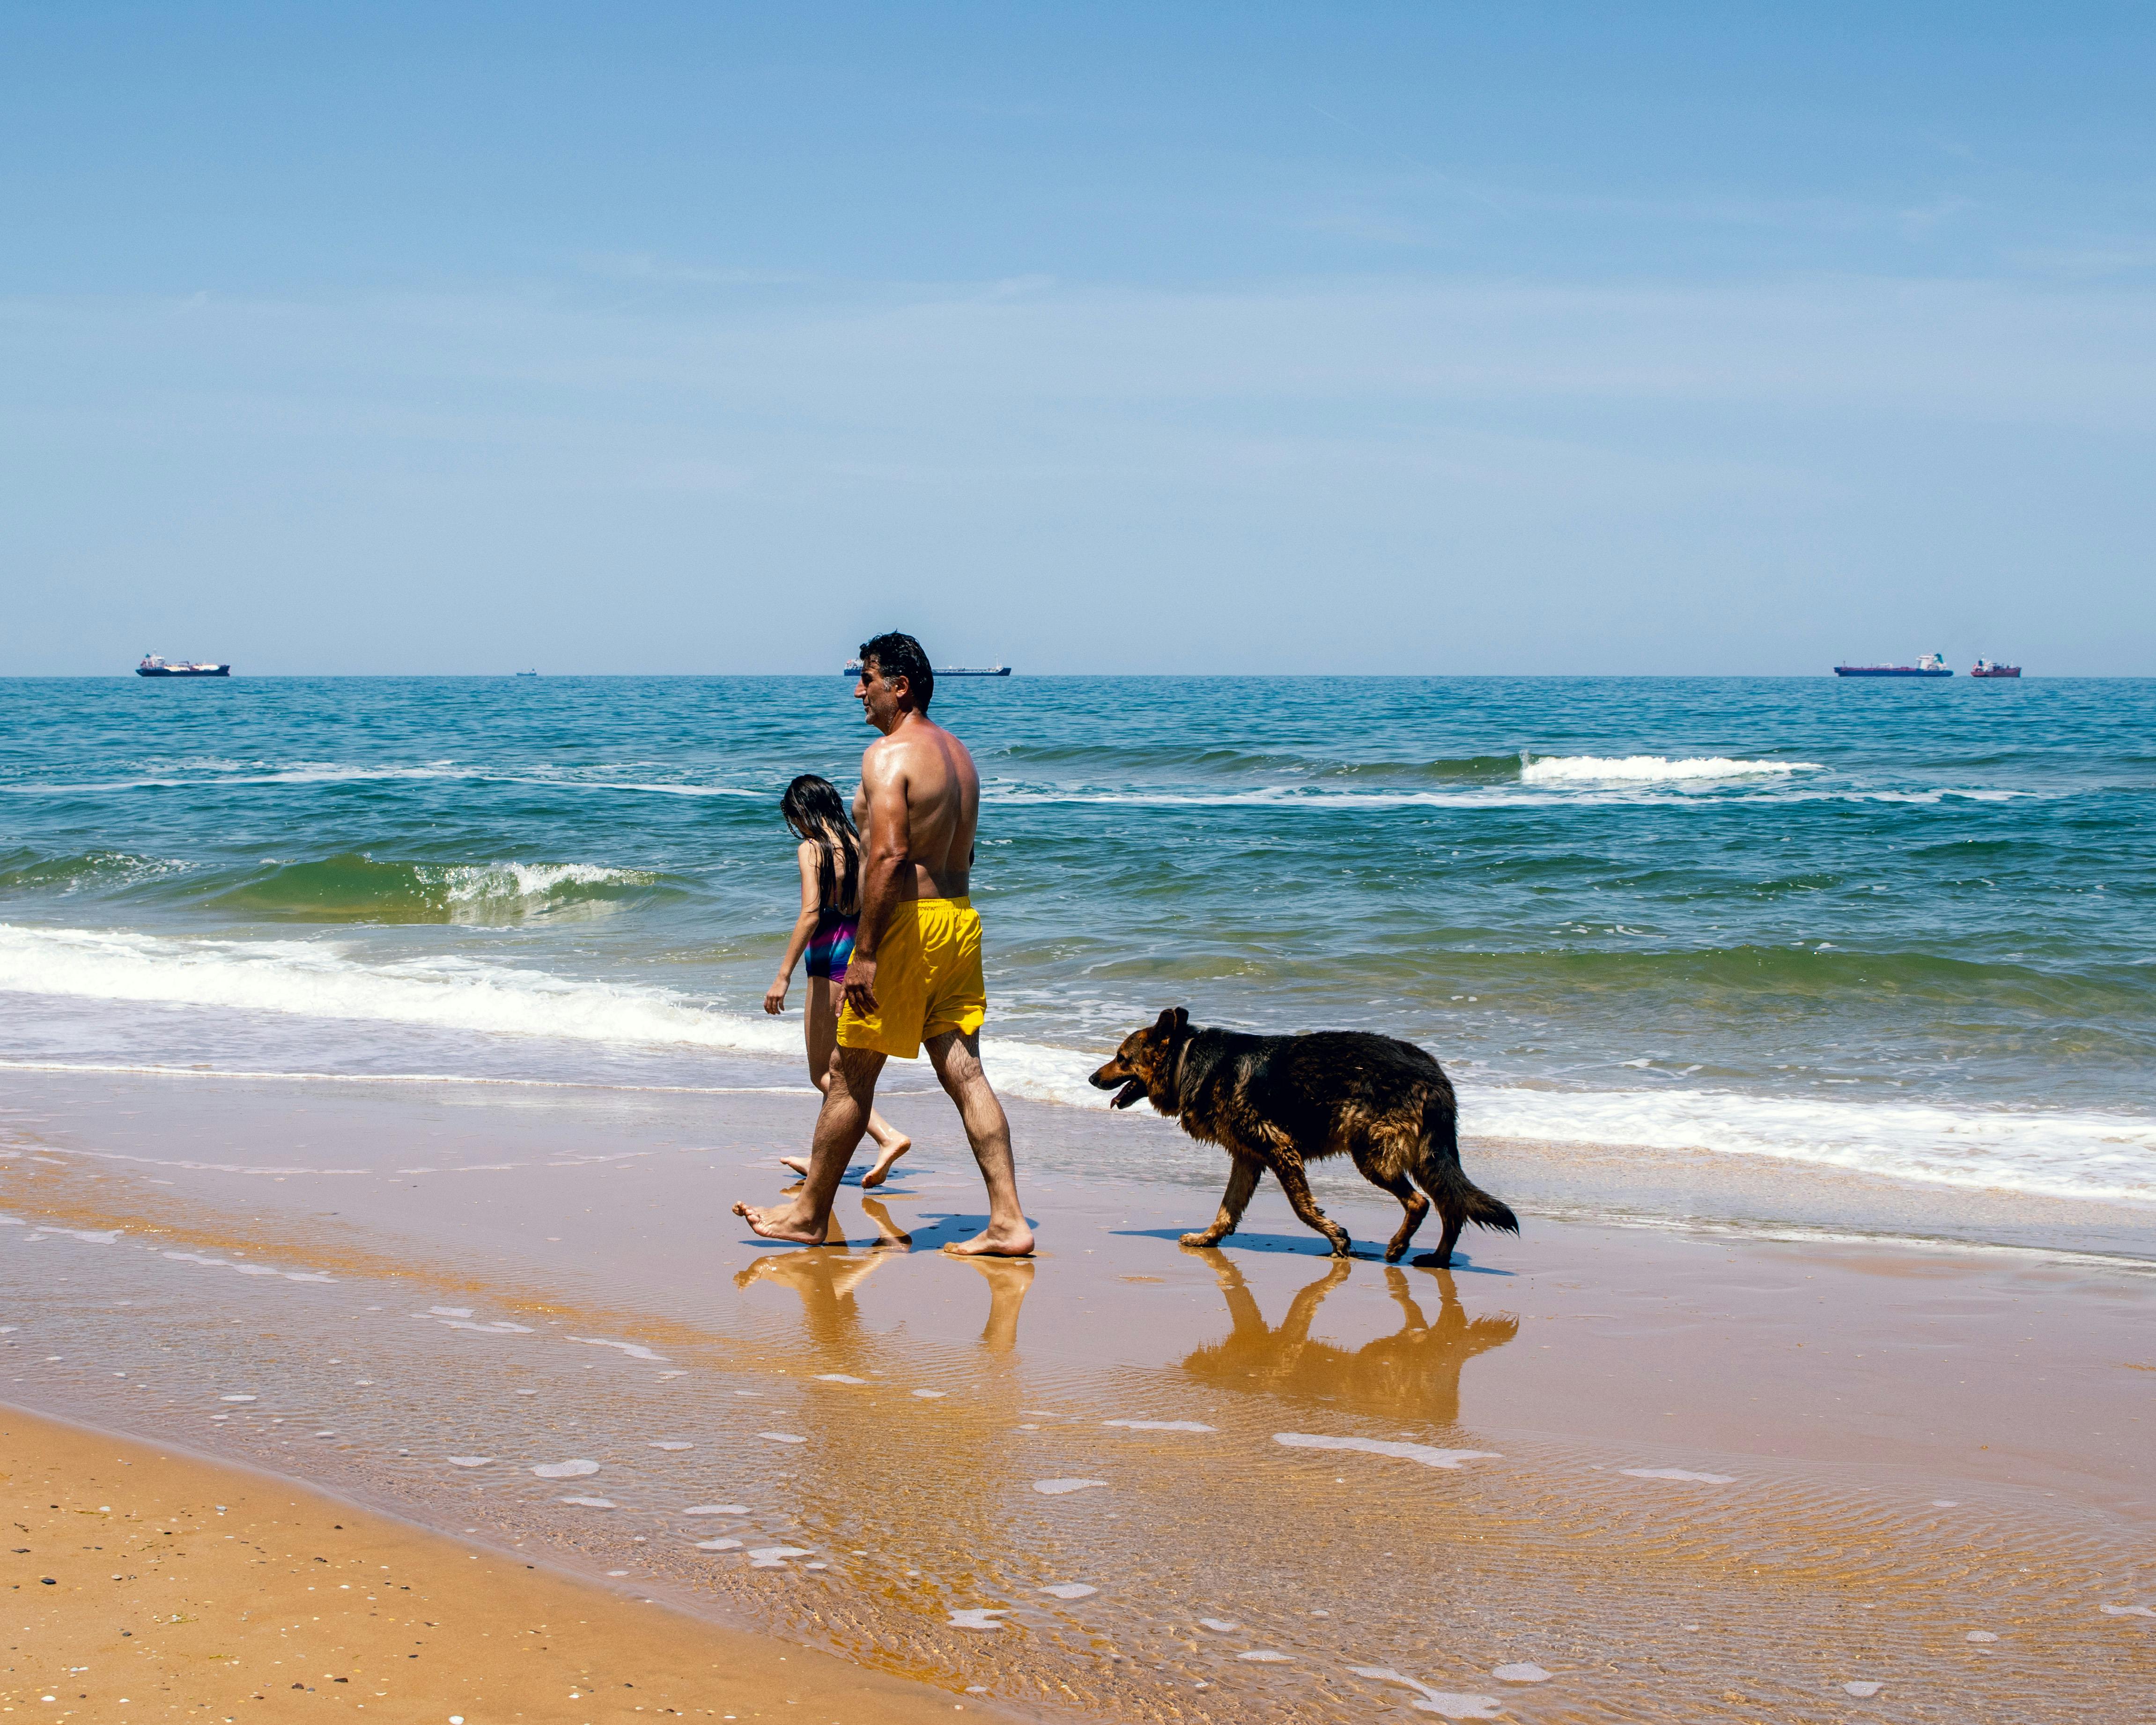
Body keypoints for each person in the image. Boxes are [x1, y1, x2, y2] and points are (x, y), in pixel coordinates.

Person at [734, 632, 1034, 1257]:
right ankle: (1009, 1220)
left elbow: (891, 855)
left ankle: (809, 1215)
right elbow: (965, 852)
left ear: (899, 686)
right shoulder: (959, 755)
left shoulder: (888, 753)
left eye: (866, 678)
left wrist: (866, 953)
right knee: (966, 1071)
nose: (857, 690)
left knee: (847, 1075)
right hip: (957, 919)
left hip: (907, 928)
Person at [762, 774, 911, 1186]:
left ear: (802, 811)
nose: (797, 826)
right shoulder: (862, 842)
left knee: (823, 1074)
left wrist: (782, 976)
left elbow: (811, 913)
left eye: (794, 817)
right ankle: (822, 1161)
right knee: (842, 1067)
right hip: (862, 955)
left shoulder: (812, 849)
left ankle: (887, 1135)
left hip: (828, 957)